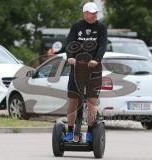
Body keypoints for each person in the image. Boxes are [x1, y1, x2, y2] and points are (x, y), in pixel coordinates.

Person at [63, 2, 107, 142]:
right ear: (85, 13)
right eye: (92, 13)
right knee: (73, 100)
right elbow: (70, 43)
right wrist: (70, 57)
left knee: (92, 101)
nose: (95, 15)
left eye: (96, 13)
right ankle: (70, 131)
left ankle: (89, 132)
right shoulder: (77, 26)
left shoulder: (101, 27)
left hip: (93, 69)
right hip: (77, 68)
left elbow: (102, 45)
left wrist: (96, 59)